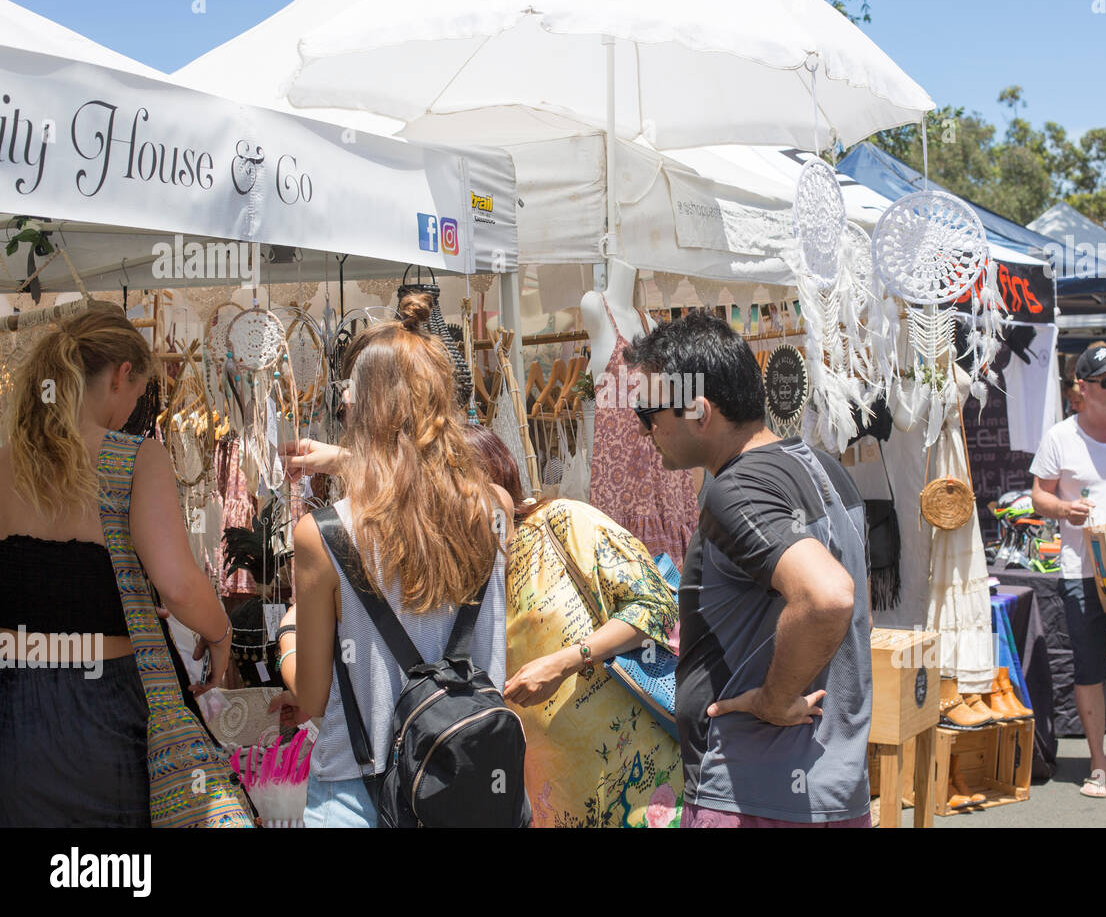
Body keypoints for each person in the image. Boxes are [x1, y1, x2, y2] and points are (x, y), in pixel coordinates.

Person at [621, 310, 872, 828]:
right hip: (830, 788)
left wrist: (775, 700)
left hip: (752, 793)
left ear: (698, 411)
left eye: (650, 413)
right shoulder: (823, 468)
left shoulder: (735, 490)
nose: (645, 430)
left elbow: (828, 597)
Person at [281, 295, 512, 828]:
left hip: (358, 793)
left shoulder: (324, 536)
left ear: (357, 404)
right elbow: (415, 485)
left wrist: (287, 638)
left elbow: (313, 699)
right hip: (470, 782)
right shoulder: (494, 508)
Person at [0, 302, 232, 826]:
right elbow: (176, 584)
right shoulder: (135, 458)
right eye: (137, 393)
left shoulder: (4, 461)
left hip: (12, 703)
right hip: (101, 707)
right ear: (121, 375)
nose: (133, 410)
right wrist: (220, 636)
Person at [465, 426, 684, 827]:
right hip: (555, 803)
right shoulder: (457, 579)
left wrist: (567, 661)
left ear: (495, 477)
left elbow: (656, 605)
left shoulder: (560, 523)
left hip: (644, 784)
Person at [1029, 344, 1106, 799]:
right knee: (1087, 668)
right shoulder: (1060, 437)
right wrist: (1064, 507)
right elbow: (1038, 494)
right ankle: (1098, 761)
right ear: (1082, 388)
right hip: (1080, 568)